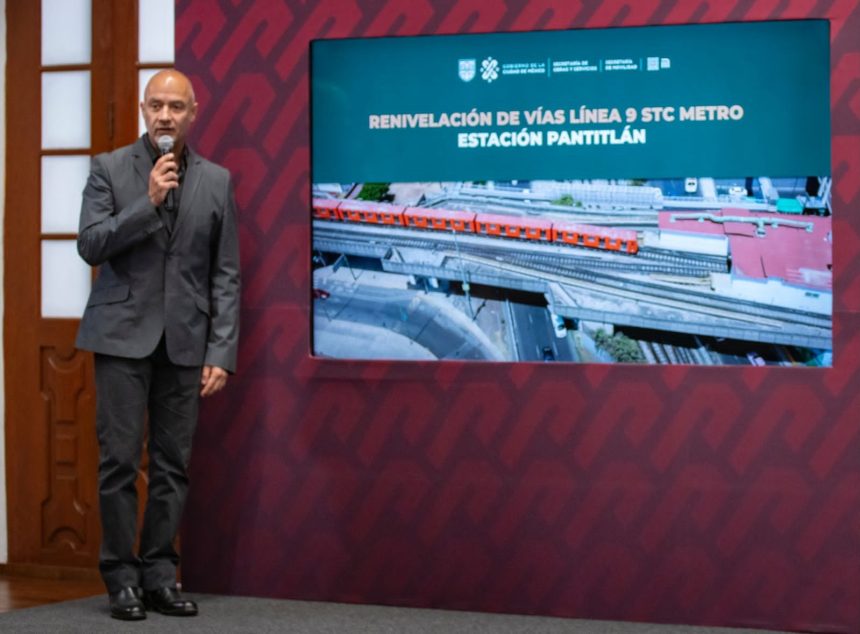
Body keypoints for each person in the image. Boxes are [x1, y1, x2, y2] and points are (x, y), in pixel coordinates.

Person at [76, 69, 240, 620]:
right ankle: (120, 580)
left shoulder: (216, 181)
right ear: (143, 110)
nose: (165, 115)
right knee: (119, 463)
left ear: (193, 113)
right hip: (121, 337)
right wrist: (147, 202)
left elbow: (225, 274)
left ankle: (160, 577)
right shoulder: (109, 169)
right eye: (156, 105)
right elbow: (91, 244)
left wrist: (221, 351)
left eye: (175, 106)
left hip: (186, 341)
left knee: (173, 465)